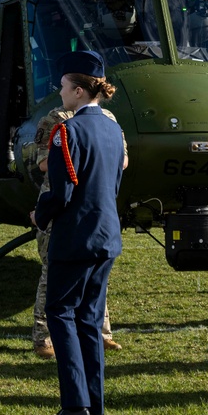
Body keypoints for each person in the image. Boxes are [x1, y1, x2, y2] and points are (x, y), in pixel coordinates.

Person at [31, 50, 125, 415]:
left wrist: (41, 214)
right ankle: (95, 405)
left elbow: (63, 190)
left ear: (81, 91)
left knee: (62, 314)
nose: (61, 92)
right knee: (89, 318)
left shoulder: (68, 131)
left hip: (75, 235)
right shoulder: (114, 129)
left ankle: (74, 407)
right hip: (107, 233)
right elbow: (115, 182)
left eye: (65, 87)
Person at [30, 105, 127, 359]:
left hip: (94, 203)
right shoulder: (56, 118)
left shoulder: (109, 118)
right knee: (52, 269)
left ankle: (101, 333)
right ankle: (44, 337)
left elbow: (123, 159)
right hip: (60, 203)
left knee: (96, 274)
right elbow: (42, 163)